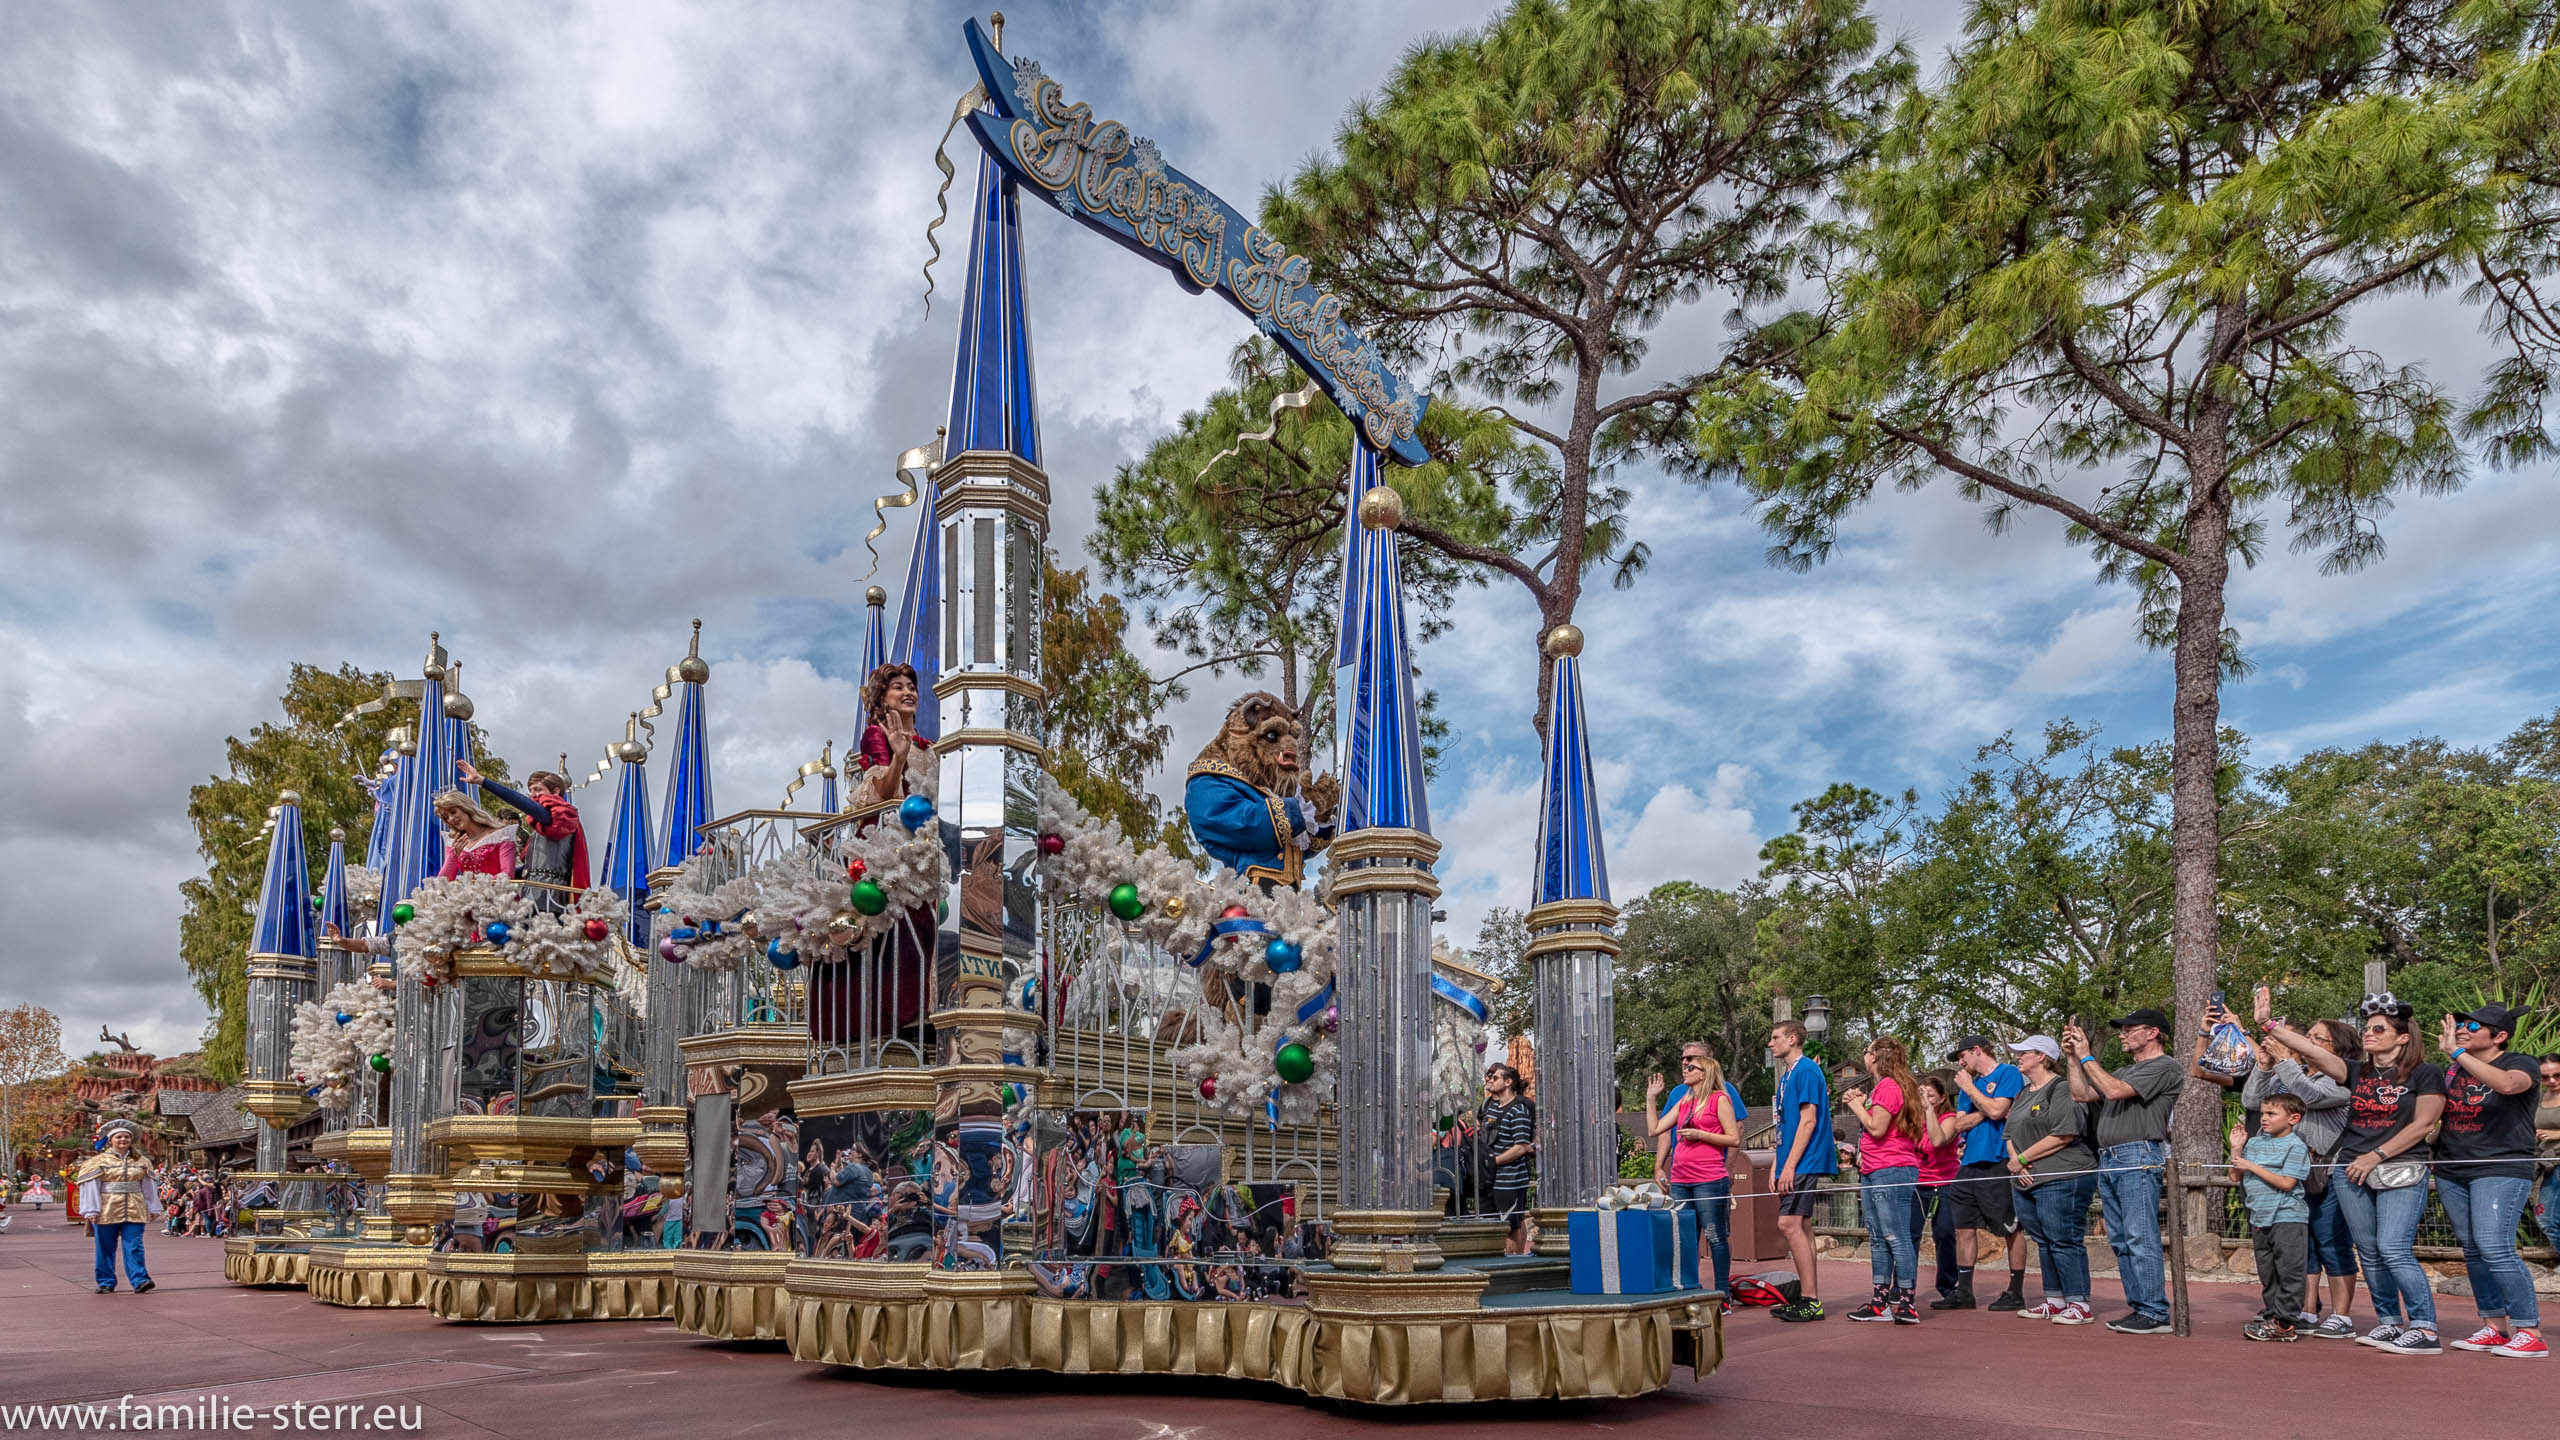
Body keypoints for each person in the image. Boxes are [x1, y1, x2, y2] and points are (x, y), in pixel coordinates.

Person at [2265, 993, 2446, 1355]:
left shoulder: (2426, 1073)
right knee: (2370, 1251)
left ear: (2403, 1037)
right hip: (2353, 1171)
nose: (2369, 1033)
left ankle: (2424, 1327)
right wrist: (2270, 1026)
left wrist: (2375, 1155)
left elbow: (2423, 1125)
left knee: (2394, 1248)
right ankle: (2389, 1322)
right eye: (2367, 1027)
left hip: (2399, 1168)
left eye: (2379, 1029)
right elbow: (2314, 1053)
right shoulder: (2357, 1071)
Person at [2235, 1012, 2359, 1337]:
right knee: (2303, 1248)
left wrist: (2284, 1060)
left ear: (2338, 1048)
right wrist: (2264, 1065)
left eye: (2319, 1039)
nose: (2309, 1043)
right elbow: (2253, 1100)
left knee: (2331, 1242)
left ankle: (2342, 1315)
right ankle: (2304, 1310)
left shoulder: (2342, 1082)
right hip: (2293, 1179)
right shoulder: (2293, 1073)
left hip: (2324, 1174)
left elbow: (2309, 1096)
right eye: (2311, 1037)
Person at [2061, 1007, 2184, 1335]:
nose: (2122, 1034)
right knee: (2120, 1238)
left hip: (2137, 1154)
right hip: (2111, 1157)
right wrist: (2073, 1058)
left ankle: (2154, 1311)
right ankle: (2141, 1307)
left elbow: (2114, 1091)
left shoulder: (2165, 1066)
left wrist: (2087, 1056)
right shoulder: (2124, 1070)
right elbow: (2081, 1093)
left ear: (2152, 1033)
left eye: (2130, 1029)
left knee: (2139, 1235)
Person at [2431, 1003, 2543, 1358]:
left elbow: (2508, 1086)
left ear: (2500, 1036)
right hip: (2453, 1169)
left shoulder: (2520, 1063)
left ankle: (2530, 1330)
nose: (2463, 1029)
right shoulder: (2452, 1070)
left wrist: (2458, 1053)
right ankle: (2495, 1326)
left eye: (2473, 1026)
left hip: (2500, 1168)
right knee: (2475, 1250)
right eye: (2460, 1023)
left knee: (2495, 1248)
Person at [2002, 1036, 2098, 1324]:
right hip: (2026, 1179)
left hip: (2062, 1176)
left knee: (2063, 1239)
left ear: (2042, 1056)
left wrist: (2021, 1159)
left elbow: (2064, 1133)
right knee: (2043, 1240)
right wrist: (2016, 1163)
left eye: (2024, 1052)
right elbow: (2008, 1134)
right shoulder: (2021, 1093)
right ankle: (2054, 1299)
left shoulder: (2061, 1088)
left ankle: (2079, 1302)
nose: (2018, 1057)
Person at [1938, 1035, 2029, 1311]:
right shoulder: (1970, 1085)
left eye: (1963, 1056)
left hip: (1999, 1159)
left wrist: (1984, 1102)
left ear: (1977, 1050)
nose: (1961, 1062)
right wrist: (1987, 1109)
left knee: (2009, 1227)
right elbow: (1959, 1124)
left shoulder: (2008, 1073)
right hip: (1970, 1164)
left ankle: (2015, 1290)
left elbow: (2000, 1109)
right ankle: (1964, 1291)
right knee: (1963, 1227)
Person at [1842, 1036, 1928, 1324]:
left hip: (1891, 1170)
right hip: (1874, 1168)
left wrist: (1856, 1104)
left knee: (1895, 1236)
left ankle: (1906, 1301)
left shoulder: (1889, 1087)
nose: (1864, 1057)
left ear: (1876, 1057)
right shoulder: (1885, 1087)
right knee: (1878, 1237)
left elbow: (1877, 1127)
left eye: (1866, 1052)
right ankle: (1880, 1300)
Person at [1644, 1048, 1742, 1296]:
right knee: (1684, 1238)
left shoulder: (1719, 1098)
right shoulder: (1684, 1101)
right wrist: (1651, 1098)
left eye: (1691, 1067)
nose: (1685, 1070)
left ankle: (1722, 1293)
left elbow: (1733, 1138)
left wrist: (1700, 1134)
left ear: (1704, 1073)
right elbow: (1655, 1129)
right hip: (1681, 1179)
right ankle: (1688, 1288)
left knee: (1714, 1236)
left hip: (1709, 1178)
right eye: (1685, 1066)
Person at [2229, 1094, 2314, 1342]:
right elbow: (2236, 1176)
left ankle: (2286, 1321)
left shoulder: (2295, 1146)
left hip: (2287, 1215)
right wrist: (2237, 1148)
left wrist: (2252, 1166)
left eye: (2272, 1114)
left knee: (2290, 1270)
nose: (2264, 1118)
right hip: (2260, 1216)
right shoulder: (2254, 1144)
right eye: (2263, 1113)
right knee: (2268, 1272)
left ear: (2293, 1118)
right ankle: (2273, 1314)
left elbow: (2287, 1183)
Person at [1768, 1019, 1836, 1323]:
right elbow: (1785, 1125)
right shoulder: (1787, 1076)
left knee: (1789, 1223)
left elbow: (1809, 1121)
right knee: (1802, 1226)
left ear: (1793, 1039)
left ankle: (1810, 1299)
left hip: (1805, 1159)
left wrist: (1791, 1166)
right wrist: (1776, 1164)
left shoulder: (1807, 1070)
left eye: (1776, 1037)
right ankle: (1809, 1297)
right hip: (1792, 1158)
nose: (1771, 1044)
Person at [461, 762, 588, 912]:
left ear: (555, 791)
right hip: (531, 895)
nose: (533, 795)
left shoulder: (560, 818)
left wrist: (483, 781)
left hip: (549, 898)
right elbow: (531, 869)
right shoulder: (542, 826)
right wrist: (489, 877)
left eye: (538, 789)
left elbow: (523, 803)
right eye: (531, 791)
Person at [76, 1121, 162, 1293]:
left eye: (126, 1137)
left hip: (135, 1207)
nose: (123, 1139)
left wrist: (153, 1207)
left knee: (135, 1245)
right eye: (119, 1137)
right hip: (106, 1209)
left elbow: (148, 1185)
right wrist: (91, 1210)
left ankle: (140, 1280)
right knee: (105, 1247)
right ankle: (106, 1281)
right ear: (110, 1140)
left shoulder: (141, 1161)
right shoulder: (97, 1161)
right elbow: (91, 1186)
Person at [1913, 1070, 1963, 1309]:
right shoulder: (1914, 1119)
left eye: (1930, 1095)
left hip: (1944, 1183)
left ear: (1941, 1098)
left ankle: (1949, 1286)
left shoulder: (1949, 1118)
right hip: (1917, 1184)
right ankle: (1903, 1287)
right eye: (1922, 1095)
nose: (1925, 1099)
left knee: (1944, 1235)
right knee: (1909, 1236)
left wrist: (1929, 1110)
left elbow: (1937, 1140)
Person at [1479, 1063, 1536, 1256]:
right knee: (1497, 1223)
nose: (1490, 1080)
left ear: (1508, 1082)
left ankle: (1515, 1261)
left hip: (1510, 1178)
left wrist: (1493, 1162)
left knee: (1510, 1225)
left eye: (1495, 1077)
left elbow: (1521, 1146)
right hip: (1492, 1177)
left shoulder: (1519, 1110)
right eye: (1489, 1077)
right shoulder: (1490, 1107)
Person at [432, 790, 517, 879]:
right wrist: (454, 854)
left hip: (500, 892)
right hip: (467, 892)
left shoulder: (501, 835)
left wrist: (473, 883)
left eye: (453, 812)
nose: (451, 819)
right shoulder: (454, 843)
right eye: (446, 817)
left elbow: (507, 875)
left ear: (466, 808)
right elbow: (443, 881)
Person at [2534, 1053, 2560, 1255]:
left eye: (2558, 1075)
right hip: (2548, 1163)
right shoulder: (2538, 1097)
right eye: (2545, 1077)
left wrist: (2555, 1133)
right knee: (2546, 1217)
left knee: (2548, 1217)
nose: (2552, 1081)